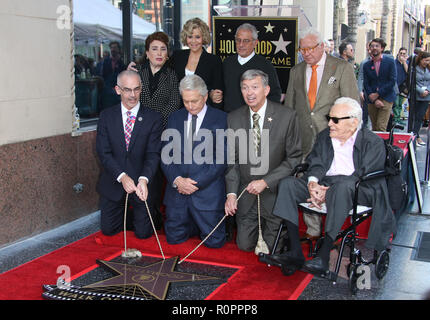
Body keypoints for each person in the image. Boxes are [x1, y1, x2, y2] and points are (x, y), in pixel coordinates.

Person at [264, 97, 395, 276]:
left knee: (342, 188)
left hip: (360, 190)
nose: (330, 123)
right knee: (288, 184)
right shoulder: (325, 136)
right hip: (325, 183)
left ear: (353, 122)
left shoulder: (373, 142)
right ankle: (295, 252)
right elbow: (315, 163)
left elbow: (362, 175)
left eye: (335, 120)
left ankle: (324, 256)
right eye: (329, 117)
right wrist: (313, 183)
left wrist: (328, 192)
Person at [283, 27, 360, 240]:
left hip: (332, 138)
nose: (305, 53)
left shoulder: (342, 68)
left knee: (330, 180)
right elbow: (290, 105)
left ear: (322, 46)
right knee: (306, 178)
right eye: (302, 49)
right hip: (303, 137)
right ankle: (312, 229)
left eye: (310, 48)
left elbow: (353, 104)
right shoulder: (296, 71)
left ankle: (331, 233)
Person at [224, 69, 302, 253]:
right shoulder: (234, 118)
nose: (249, 93)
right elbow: (232, 161)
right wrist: (232, 195)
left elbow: (294, 158)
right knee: (244, 246)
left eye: (254, 87)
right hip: (247, 195)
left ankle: (283, 232)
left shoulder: (287, 116)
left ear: (266, 90)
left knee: (271, 248)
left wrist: (266, 181)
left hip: (274, 194)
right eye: (244, 88)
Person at [161, 74, 227, 248]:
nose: (190, 106)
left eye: (195, 101)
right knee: (173, 243)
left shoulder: (221, 119)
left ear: (205, 97)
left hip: (207, 195)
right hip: (177, 194)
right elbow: (165, 154)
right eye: (186, 101)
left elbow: (221, 159)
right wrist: (177, 181)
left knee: (214, 245)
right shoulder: (174, 118)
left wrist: (195, 184)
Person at [96, 70, 163, 239]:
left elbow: (153, 154)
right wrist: (122, 177)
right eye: (127, 90)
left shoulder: (153, 118)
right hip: (115, 181)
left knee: (143, 234)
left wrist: (143, 179)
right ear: (118, 90)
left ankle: (152, 215)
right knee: (109, 231)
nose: (133, 95)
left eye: (137, 89)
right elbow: (104, 153)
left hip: (142, 184)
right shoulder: (106, 116)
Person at [127, 31, 182, 229]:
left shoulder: (172, 75)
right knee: (136, 173)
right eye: (154, 49)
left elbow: (174, 104)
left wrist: (154, 125)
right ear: (147, 52)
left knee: (156, 179)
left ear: (167, 54)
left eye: (163, 49)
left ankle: (155, 216)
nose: (159, 53)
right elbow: (131, 102)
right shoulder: (136, 74)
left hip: (162, 135)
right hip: (136, 135)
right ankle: (137, 215)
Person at [222, 23, 282, 113]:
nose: (241, 44)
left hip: (254, 119)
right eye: (238, 40)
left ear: (255, 43)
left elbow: (274, 95)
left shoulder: (265, 65)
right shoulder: (227, 63)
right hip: (229, 118)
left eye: (246, 41)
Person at [170, 17, 224, 109]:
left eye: (197, 37)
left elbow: (217, 90)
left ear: (204, 37)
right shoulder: (177, 56)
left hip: (203, 109)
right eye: (190, 37)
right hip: (178, 110)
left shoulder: (214, 60)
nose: (193, 41)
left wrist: (213, 94)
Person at [362, 38, 397, 132]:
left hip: (386, 97)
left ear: (382, 48)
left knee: (381, 127)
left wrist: (378, 94)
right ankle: (376, 146)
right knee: (374, 127)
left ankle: (382, 146)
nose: (374, 48)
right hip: (372, 99)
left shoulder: (390, 62)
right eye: (372, 46)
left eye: (377, 46)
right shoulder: (366, 65)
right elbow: (366, 83)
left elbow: (392, 81)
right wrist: (373, 98)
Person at [99, 41, 126, 111]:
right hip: (108, 89)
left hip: (119, 89)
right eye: (111, 48)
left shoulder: (123, 62)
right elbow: (103, 75)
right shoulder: (106, 61)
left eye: (114, 48)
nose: (113, 49)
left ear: (118, 49)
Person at [412, 51, 430, 146]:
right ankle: (414, 136)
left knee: (420, 118)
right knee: (414, 117)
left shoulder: (428, 69)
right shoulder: (414, 69)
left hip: (426, 97)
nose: (427, 62)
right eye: (425, 60)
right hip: (416, 96)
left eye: (428, 61)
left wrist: (427, 90)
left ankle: (417, 136)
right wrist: (420, 91)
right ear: (421, 59)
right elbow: (413, 82)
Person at [393, 48, 408, 124]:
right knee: (396, 103)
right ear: (398, 54)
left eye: (404, 53)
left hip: (403, 87)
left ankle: (398, 118)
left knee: (400, 104)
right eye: (401, 53)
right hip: (395, 86)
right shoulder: (394, 63)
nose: (402, 55)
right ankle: (395, 119)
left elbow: (408, 72)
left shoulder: (406, 63)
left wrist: (404, 62)